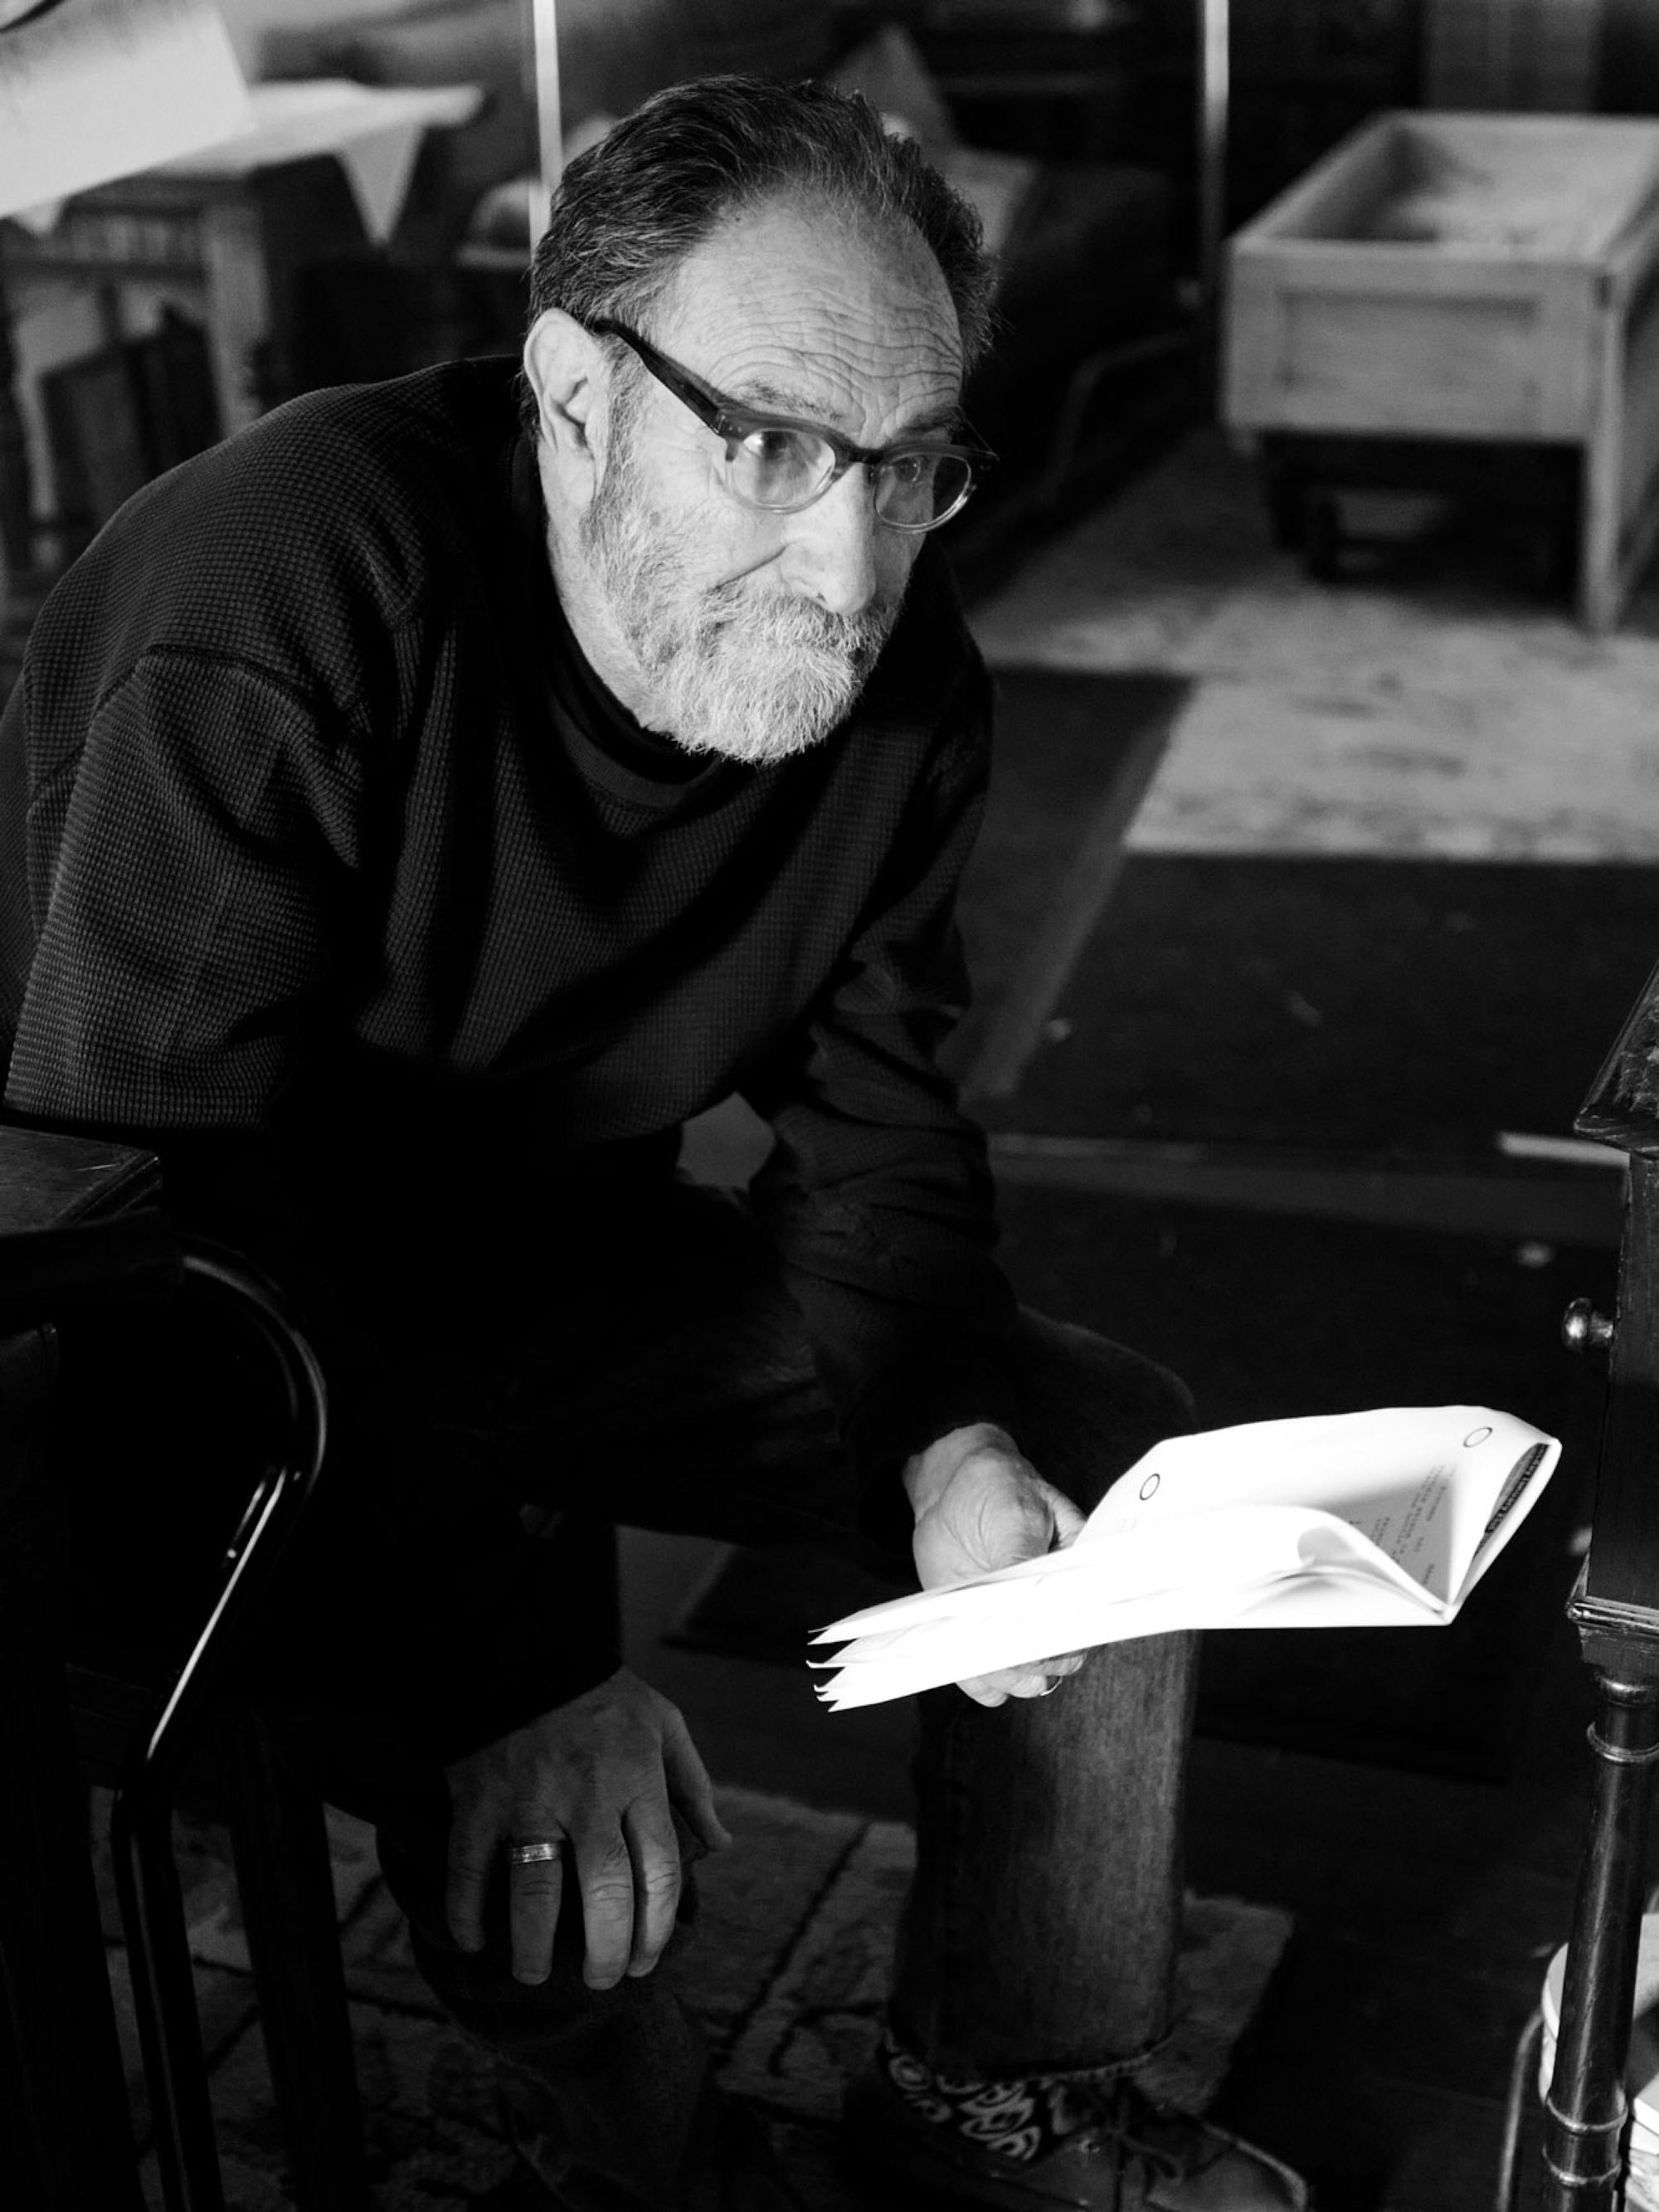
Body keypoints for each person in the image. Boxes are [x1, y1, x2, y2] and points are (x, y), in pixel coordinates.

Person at [0, 74, 1306, 2212]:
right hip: (142, 1332)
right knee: (567, 1885)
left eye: (910, 468)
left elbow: (877, 1136)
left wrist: (956, 1444)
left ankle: (997, 2104)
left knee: (1105, 1483)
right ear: (575, 398)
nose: (853, 554)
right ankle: (631, 2126)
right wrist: (510, 1667)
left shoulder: (898, 682)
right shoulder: (287, 591)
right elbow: (167, 1239)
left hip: (527, 1267)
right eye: (776, 446)